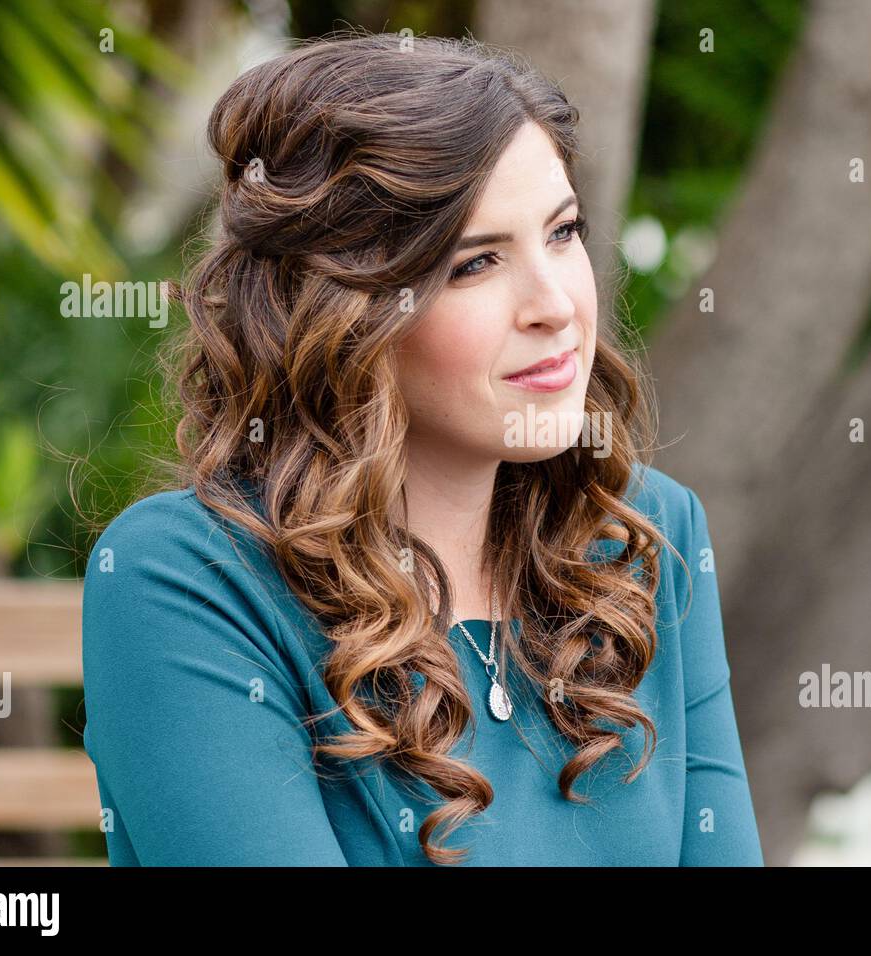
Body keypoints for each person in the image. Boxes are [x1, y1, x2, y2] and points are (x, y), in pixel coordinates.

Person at [80, 30, 763, 866]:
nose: (555, 304)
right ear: (344, 312)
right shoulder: (188, 578)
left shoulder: (644, 536)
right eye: (475, 264)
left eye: (563, 232)